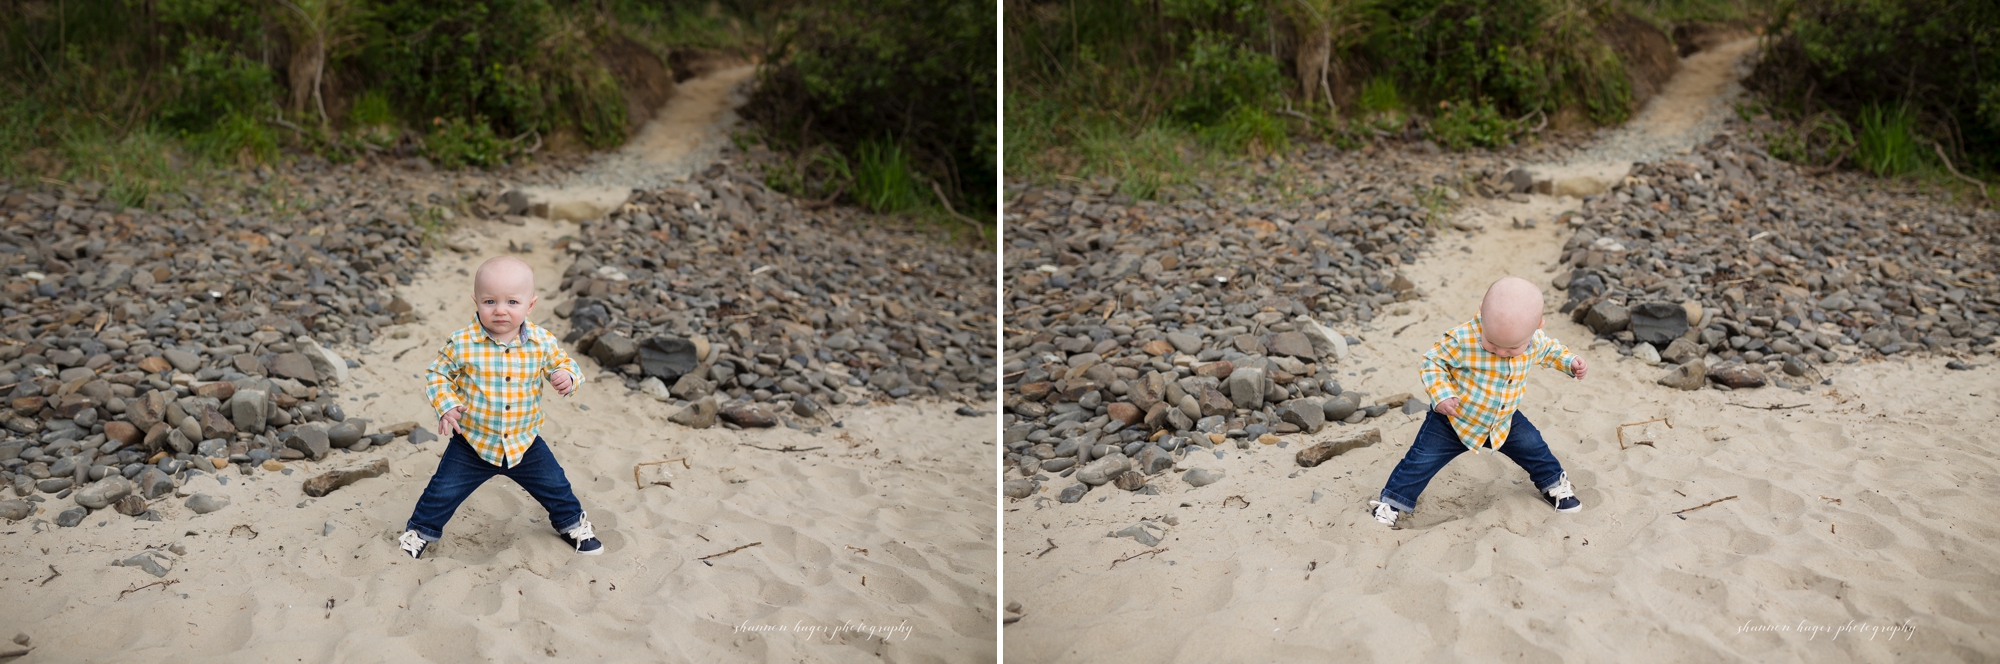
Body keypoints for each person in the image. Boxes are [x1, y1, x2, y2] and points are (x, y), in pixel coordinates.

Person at [397, 255, 603, 558]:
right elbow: (437, 374)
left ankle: (572, 524)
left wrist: (567, 377)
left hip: (524, 442)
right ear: (476, 301)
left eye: (512, 302)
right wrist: (447, 405)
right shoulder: (463, 342)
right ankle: (420, 532)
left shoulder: (541, 342)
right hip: (473, 442)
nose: (501, 310)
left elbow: (565, 363)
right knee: (442, 491)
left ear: (530, 305)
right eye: (490, 301)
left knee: (555, 485)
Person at [1368, 276, 1589, 528]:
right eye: (1492, 343)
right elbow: (1433, 362)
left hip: (1503, 420)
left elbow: (1551, 351)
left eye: (1513, 348)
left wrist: (1570, 363)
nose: (1501, 352)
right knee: (1420, 460)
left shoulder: (1534, 339)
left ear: (1537, 326)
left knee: (1534, 447)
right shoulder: (1463, 339)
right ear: (1482, 312)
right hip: (1453, 419)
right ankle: (1393, 501)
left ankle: (1553, 484)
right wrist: (1441, 395)